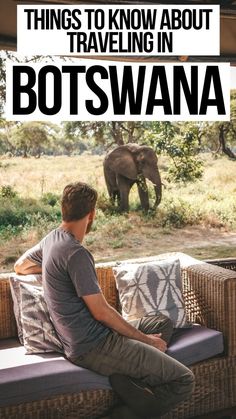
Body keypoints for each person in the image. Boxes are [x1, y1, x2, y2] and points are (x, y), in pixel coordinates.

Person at [14, 181, 195, 419]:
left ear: (63, 210)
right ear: (91, 214)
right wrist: (147, 342)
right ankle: (126, 412)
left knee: (161, 323)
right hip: (93, 346)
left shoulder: (51, 240)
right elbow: (101, 312)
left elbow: (20, 266)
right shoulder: (76, 254)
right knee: (184, 380)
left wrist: (55, 271)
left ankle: (133, 383)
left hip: (90, 336)